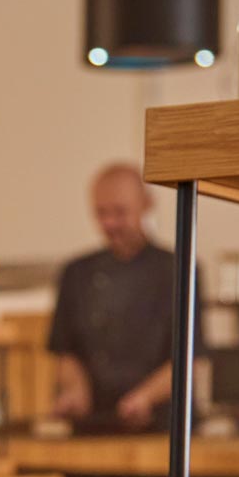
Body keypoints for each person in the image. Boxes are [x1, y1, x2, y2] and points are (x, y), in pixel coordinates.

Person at [48, 163, 178, 432]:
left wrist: (145, 398)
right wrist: (75, 391)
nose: (109, 223)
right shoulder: (76, 272)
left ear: (146, 205)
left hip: (160, 429)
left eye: (119, 212)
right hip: (92, 426)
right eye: (101, 213)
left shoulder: (177, 270)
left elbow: (188, 361)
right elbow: (66, 351)